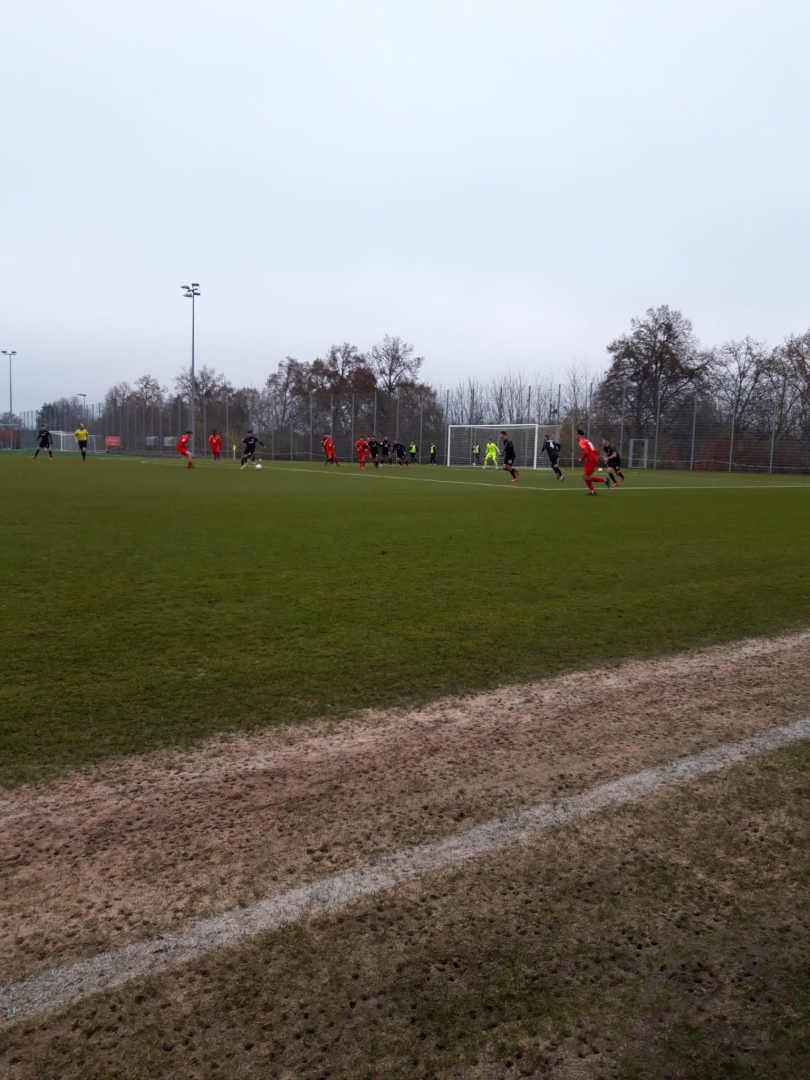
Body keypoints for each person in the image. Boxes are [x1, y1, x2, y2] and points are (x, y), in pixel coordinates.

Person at [577, 428, 607, 495]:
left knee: (586, 477)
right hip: (592, 459)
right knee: (585, 476)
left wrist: (581, 459)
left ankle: (604, 480)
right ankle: (592, 491)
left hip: (591, 460)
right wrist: (594, 456)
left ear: (578, 435)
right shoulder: (587, 441)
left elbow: (586, 452)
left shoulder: (581, 442)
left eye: (576, 435)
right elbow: (596, 450)